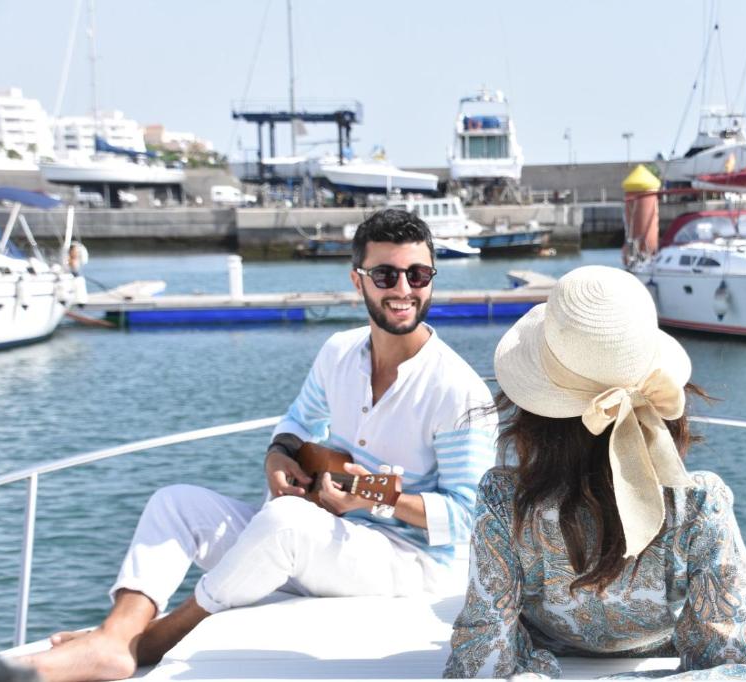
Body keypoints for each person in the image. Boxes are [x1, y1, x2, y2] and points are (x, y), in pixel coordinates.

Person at [25, 209, 497, 682]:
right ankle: (115, 635)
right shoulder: (338, 352)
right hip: (326, 539)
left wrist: (382, 496)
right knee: (175, 504)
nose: (403, 289)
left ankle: (151, 641)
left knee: (285, 520)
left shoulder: (456, 390)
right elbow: (297, 422)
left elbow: (470, 517)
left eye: (417, 274)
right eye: (385, 274)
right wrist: (277, 457)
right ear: (358, 282)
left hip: (410, 564)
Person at [443, 265, 746, 679]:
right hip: (666, 643)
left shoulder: (504, 500)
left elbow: (480, 662)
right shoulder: (698, 503)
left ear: (535, 412)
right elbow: (733, 652)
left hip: (550, 647)